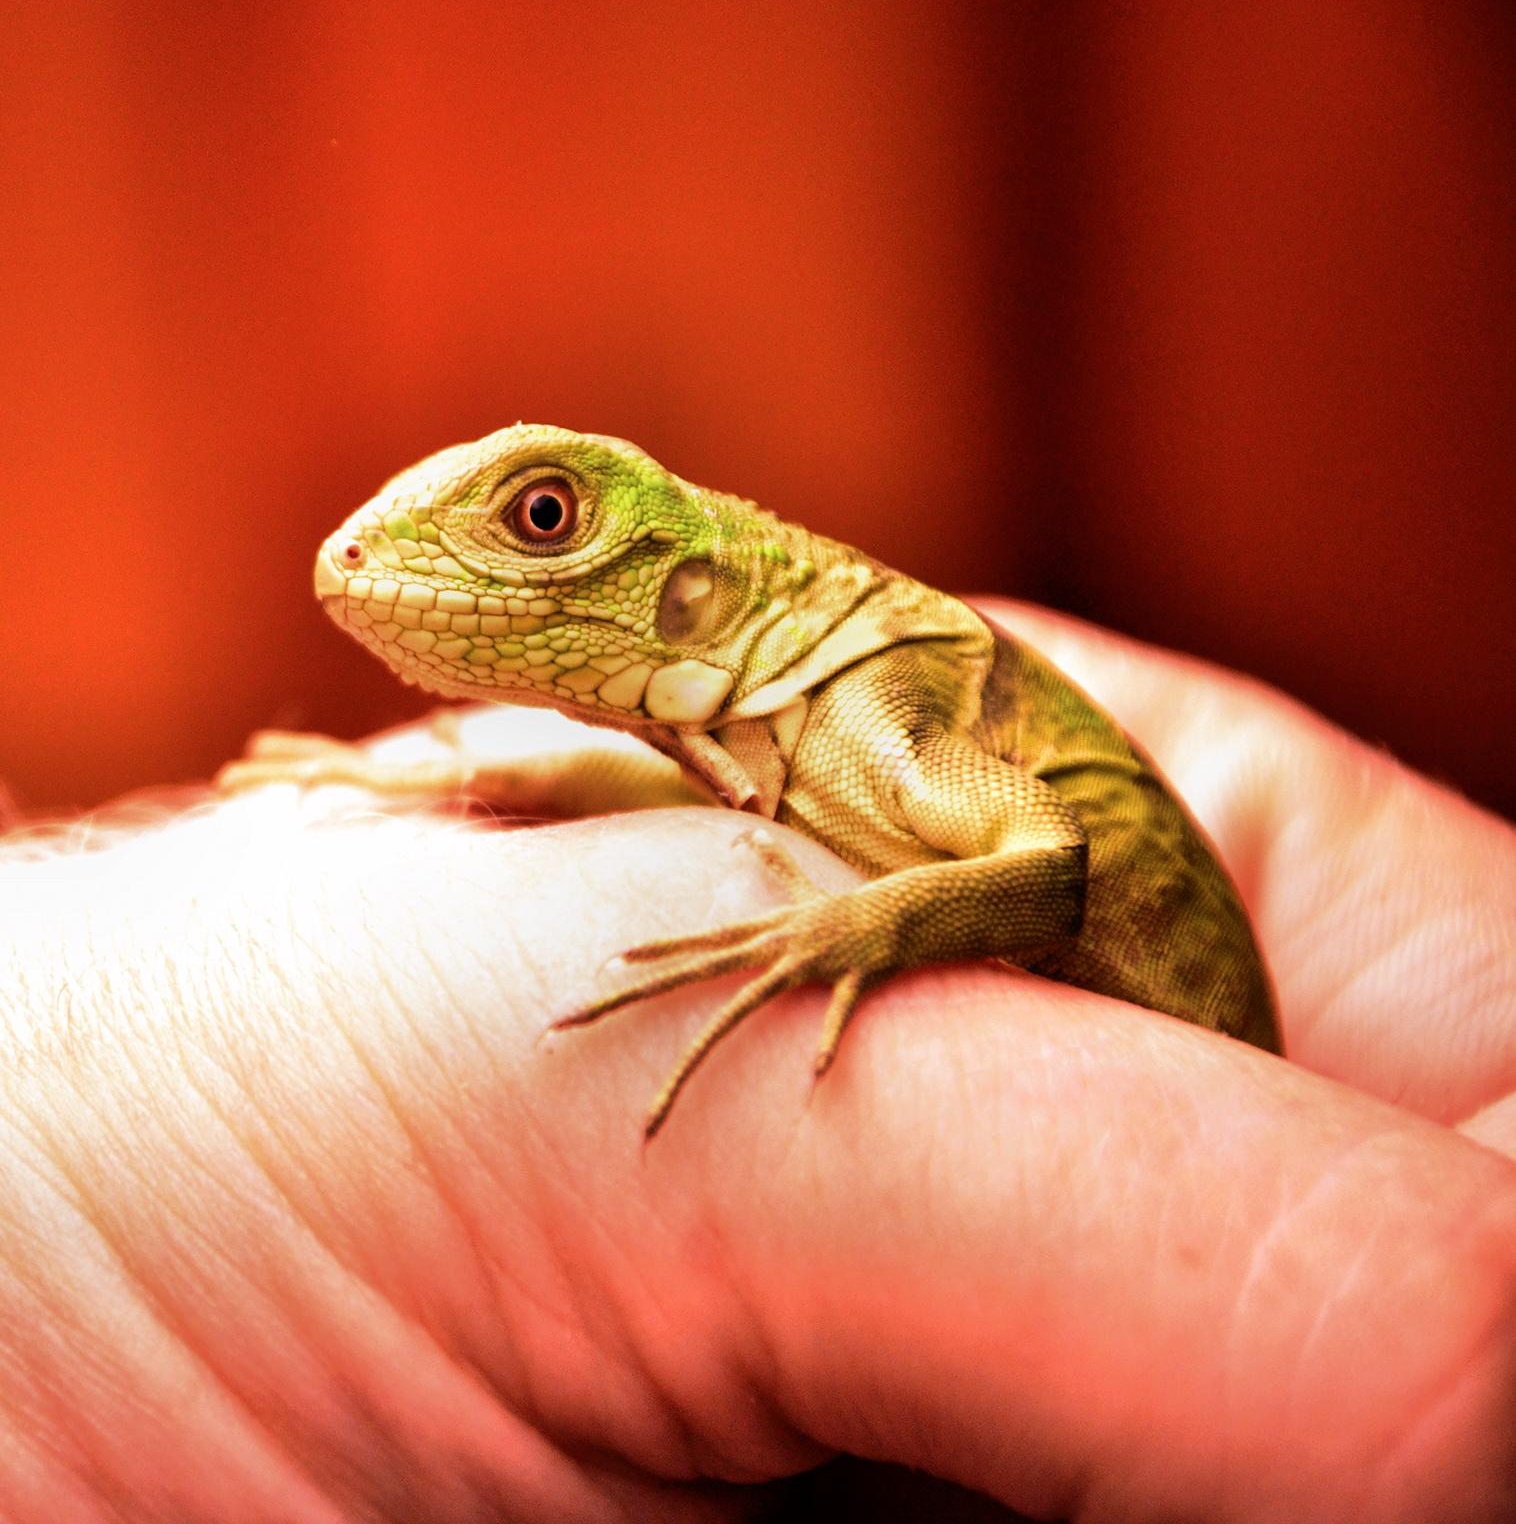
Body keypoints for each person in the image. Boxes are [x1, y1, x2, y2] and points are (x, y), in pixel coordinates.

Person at [0, 601, 1511, 1523]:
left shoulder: (872, 707)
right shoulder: (773, 719)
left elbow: (1046, 854)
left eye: (543, 522)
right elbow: (660, 763)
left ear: (694, 585)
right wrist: (476, 774)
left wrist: (841, 936)